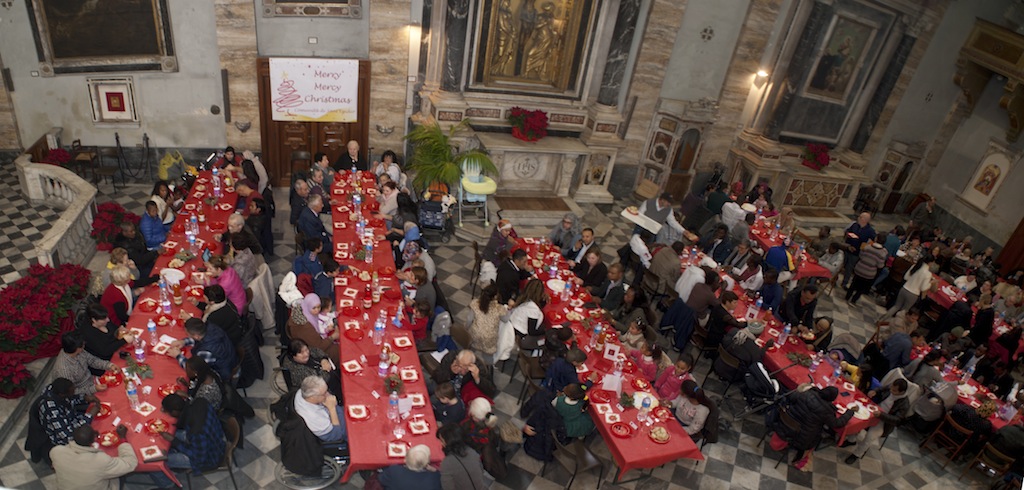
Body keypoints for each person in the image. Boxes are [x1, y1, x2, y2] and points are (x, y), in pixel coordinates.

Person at [151, 394, 226, 488]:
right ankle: (173, 454)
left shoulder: (197, 432)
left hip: (209, 457)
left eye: (167, 411)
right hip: (212, 438)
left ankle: (169, 486)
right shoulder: (200, 401)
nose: (165, 412)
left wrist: (174, 441)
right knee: (170, 431)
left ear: (174, 412)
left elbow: (198, 457)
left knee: (154, 464)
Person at [785, 386, 855, 469]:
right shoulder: (827, 411)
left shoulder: (807, 394)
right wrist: (850, 412)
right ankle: (798, 459)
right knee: (816, 436)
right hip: (803, 437)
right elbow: (838, 423)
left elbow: (792, 397)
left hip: (786, 422)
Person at [843, 378, 911, 464]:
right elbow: (882, 388)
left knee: (870, 436)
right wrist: (875, 391)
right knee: (856, 419)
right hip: (874, 410)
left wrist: (882, 415)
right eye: (891, 388)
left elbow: (897, 420)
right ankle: (851, 440)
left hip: (884, 421)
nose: (891, 390)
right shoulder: (891, 387)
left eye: (894, 390)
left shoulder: (904, 404)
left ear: (901, 392)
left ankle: (857, 454)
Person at [50, 423, 137, 489]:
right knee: (119, 474)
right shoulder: (100, 460)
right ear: (93, 440)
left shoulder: (56, 451)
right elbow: (130, 463)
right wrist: (122, 438)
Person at [168, 318, 237, 382]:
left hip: (221, 373)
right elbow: (201, 339)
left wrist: (178, 356)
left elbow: (193, 369)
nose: (187, 336)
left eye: (188, 334)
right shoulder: (211, 327)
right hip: (229, 358)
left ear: (196, 336)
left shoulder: (206, 351)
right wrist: (184, 342)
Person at [38, 378, 101, 446]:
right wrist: (89, 415)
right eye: (72, 392)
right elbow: (67, 436)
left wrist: (84, 398)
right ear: (62, 395)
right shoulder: (52, 411)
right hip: (65, 439)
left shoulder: (56, 390)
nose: (74, 393)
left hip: (73, 418)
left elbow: (71, 399)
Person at [54, 331, 117, 396]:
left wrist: (109, 365)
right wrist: (93, 389)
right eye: (83, 344)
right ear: (78, 348)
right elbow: (71, 392)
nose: (85, 345)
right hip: (83, 392)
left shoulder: (78, 351)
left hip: (92, 380)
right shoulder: (64, 370)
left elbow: (92, 360)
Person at [78, 302, 133, 370]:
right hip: (105, 363)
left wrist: (120, 329)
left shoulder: (103, 319)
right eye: (104, 319)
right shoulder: (87, 333)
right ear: (94, 320)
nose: (108, 320)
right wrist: (124, 340)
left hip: (117, 350)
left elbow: (113, 328)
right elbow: (105, 351)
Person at [287, 293, 340, 360]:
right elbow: (318, 347)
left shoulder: (305, 312)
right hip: (313, 351)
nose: (317, 310)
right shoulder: (306, 327)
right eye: (314, 308)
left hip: (313, 343)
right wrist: (333, 337)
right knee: (341, 350)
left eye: (319, 307)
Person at [294, 376, 347, 442]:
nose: (328, 394)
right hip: (337, 429)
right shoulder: (314, 417)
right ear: (312, 397)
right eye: (324, 393)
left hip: (335, 412)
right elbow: (337, 435)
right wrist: (332, 408)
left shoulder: (303, 392)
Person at [437, 423, 486, 489]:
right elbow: (481, 471)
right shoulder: (472, 452)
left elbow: (448, 488)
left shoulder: (446, 464)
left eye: (442, 441)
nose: (441, 443)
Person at [467, 285, 506, 364]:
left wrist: (466, 329)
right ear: (495, 296)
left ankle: (468, 361)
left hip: (475, 334)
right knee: (488, 357)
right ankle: (488, 368)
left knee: (471, 349)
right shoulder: (499, 308)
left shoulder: (475, 303)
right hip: (489, 337)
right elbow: (505, 319)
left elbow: (469, 319)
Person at [842, 212, 877, 289]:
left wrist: (864, 247)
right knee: (841, 264)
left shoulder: (870, 231)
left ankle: (845, 283)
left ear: (865, 220)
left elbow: (873, 241)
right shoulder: (855, 225)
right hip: (848, 247)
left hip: (856, 252)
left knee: (849, 268)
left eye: (860, 217)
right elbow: (848, 231)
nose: (858, 218)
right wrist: (850, 236)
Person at [845, 239, 886, 305]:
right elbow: (880, 265)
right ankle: (853, 300)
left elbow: (861, 255)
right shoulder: (882, 253)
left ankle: (847, 297)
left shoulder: (867, 247)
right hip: (869, 273)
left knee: (853, 284)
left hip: (860, 268)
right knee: (861, 288)